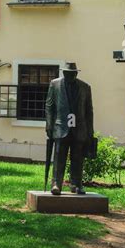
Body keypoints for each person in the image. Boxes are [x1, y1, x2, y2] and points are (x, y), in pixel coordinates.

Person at [45, 62, 94, 195]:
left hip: (79, 129)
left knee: (78, 158)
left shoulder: (85, 87)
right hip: (61, 128)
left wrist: (90, 131)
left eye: (71, 73)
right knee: (59, 157)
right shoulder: (55, 84)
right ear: (63, 73)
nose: (68, 75)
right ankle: (56, 184)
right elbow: (49, 106)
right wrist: (49, 124)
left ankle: (76, 184)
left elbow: (89, 111)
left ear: (76, 73)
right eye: (66, 73)